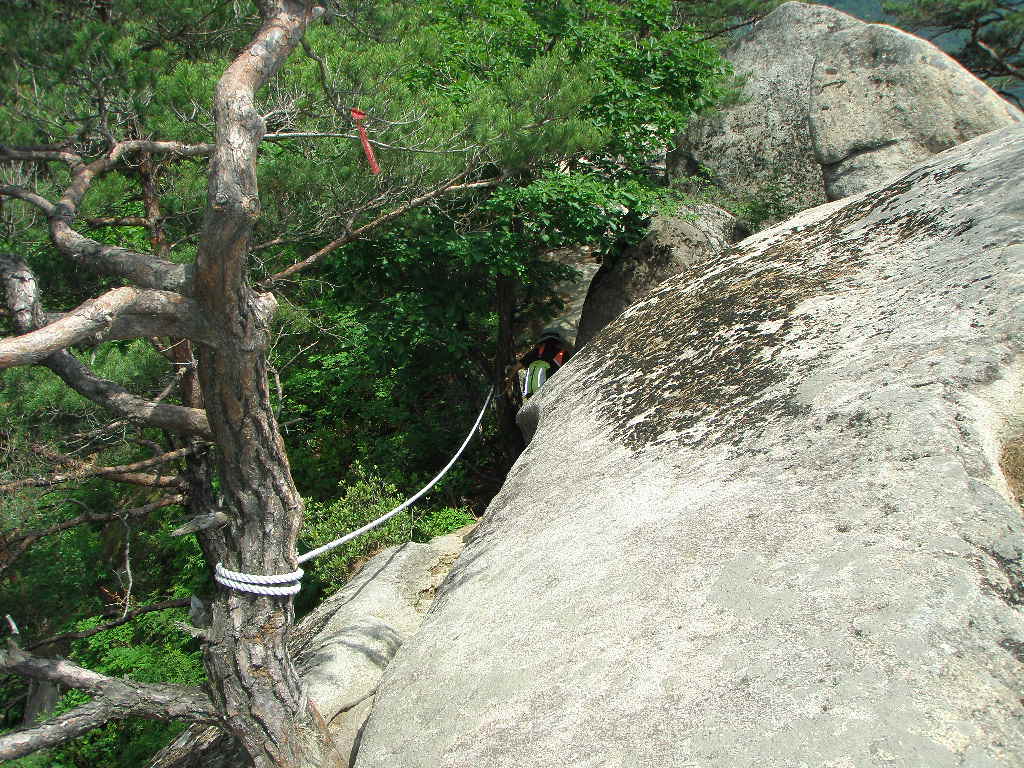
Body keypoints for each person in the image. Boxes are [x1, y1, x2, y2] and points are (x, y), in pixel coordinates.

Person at [518, 327, 571, 398]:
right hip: (550, 392)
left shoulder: (535, 352)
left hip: (531, 393)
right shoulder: (563, 353)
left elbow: (516, 367)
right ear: (557, 340)